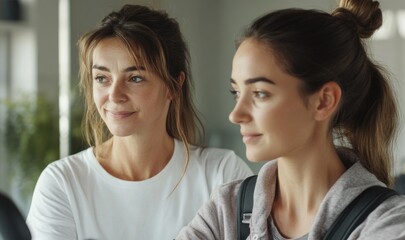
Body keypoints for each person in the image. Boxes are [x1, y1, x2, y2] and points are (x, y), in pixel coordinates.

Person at [176, 0, 405, 239]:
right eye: (236, 93)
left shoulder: (391, 222)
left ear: (324, 101)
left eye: (260, 93)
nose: (236, 114)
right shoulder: (226, 208)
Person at [26, 4, 252, 240]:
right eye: (102, 78)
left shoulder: (222, 175)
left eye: (134, 78)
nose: (114, 95)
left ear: (174, 86)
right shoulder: (62, 183)